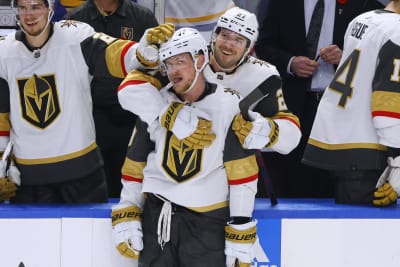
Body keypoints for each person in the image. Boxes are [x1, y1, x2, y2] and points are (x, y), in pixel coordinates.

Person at [0, 0, 178, 203]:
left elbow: (113, 52)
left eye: (36, 7)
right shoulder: (5, 51)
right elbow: (1, 115)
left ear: (49, 9)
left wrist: (141, 52)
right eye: (23, 8)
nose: (29, 15)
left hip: (82, 176)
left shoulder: (74, 37)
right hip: (28, 180)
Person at [117, 7, 302, 199]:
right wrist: (168, 113)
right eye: (225, 35)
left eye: (238, 40)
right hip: (178, 162)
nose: (229, 45)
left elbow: (291, 136)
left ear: (250, 49)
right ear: (214, 36)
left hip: (234, 170)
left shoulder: (263, 76)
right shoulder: (187, 55)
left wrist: (265, 131)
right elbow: (131, 89)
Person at [111, 28, 260, 267]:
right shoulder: (156, 102)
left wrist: (240, 226)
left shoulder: (230, 105)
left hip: (207, 226)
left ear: (200, 59)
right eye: (168, 64)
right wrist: (128, 207)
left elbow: (241, 173)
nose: (173, 71)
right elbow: (136, 161)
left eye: (180, 61)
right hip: (157, 221)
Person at [254, 0, 384, 198]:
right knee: (293, 181)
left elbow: (381, 53)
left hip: (343, 110)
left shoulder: (365, 5)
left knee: (337, 183)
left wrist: (346, 56)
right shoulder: (279, 2)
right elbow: (263, 44)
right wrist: (290, 63)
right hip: (293, 107)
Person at [303, 0, 400, 206]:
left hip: (343, 140)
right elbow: (388, 105)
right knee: (367, 234)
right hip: (370, 149)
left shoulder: (362, 19)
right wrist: (397, 163)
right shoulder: (397, 30)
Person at [64, 0, 158, 197]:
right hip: (89, 119)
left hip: (132, 120)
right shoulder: (76, 20)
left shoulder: (143, 18)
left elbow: (156, 68)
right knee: (93, 185)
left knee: (130, 183)